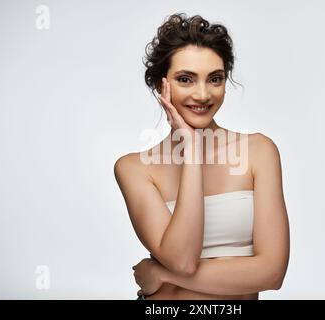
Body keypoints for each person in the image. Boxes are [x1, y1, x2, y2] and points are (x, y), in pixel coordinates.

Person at [114, 12, 290, 300]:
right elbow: (182, 259)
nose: (203, 94)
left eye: (215, 79)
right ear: (161, 86)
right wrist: (192, 154)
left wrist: (161, 274)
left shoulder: (259, 152)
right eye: (186, 79)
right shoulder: (134, 168)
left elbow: (272, 274)